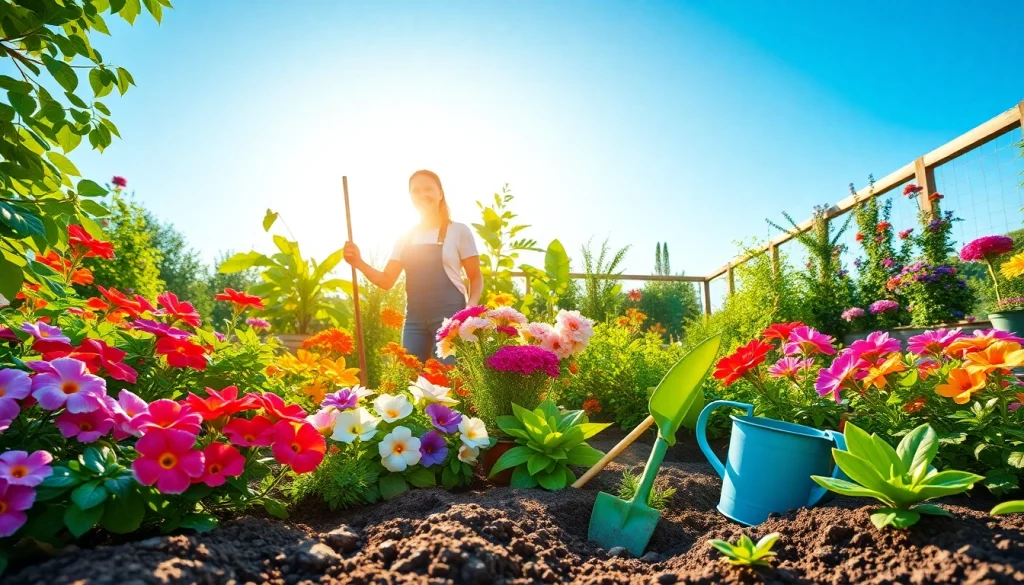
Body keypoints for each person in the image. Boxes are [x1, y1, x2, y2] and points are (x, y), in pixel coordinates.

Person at [343, 170, 483, 363]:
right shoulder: (405, 236)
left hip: (450, 320)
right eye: (416, 191)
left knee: (448, 381)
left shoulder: (458, 231)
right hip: (414, 322)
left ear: (440, 193)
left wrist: (469, 309)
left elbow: (475, 277)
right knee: (408, 379)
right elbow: (386, 281)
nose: (422, 195)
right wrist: (358, 262)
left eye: (428, 189)